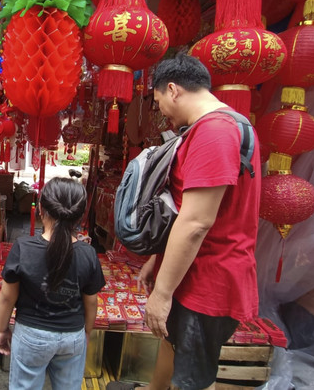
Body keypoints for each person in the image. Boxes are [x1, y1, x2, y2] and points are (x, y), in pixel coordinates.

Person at [109, 54, 261, 390]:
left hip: (209, 278)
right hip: (192, 273)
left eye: (159, 100)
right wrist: (156, 261)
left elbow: (195, 223)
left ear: (173, 90)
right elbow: (181, 209)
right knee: (172, 345)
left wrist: (162, 295)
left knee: (190, 377)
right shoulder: (220, 126)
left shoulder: (214, 133)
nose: (160, 109)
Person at [0, 177, 106, 390]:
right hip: (72, 336)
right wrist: (86, 335)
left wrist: (2, 330)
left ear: (41, 210)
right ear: (80, 216)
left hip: (30, 335)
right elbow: (91, 302)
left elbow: (7, 296)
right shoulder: (89, 254)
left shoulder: (23, 247)